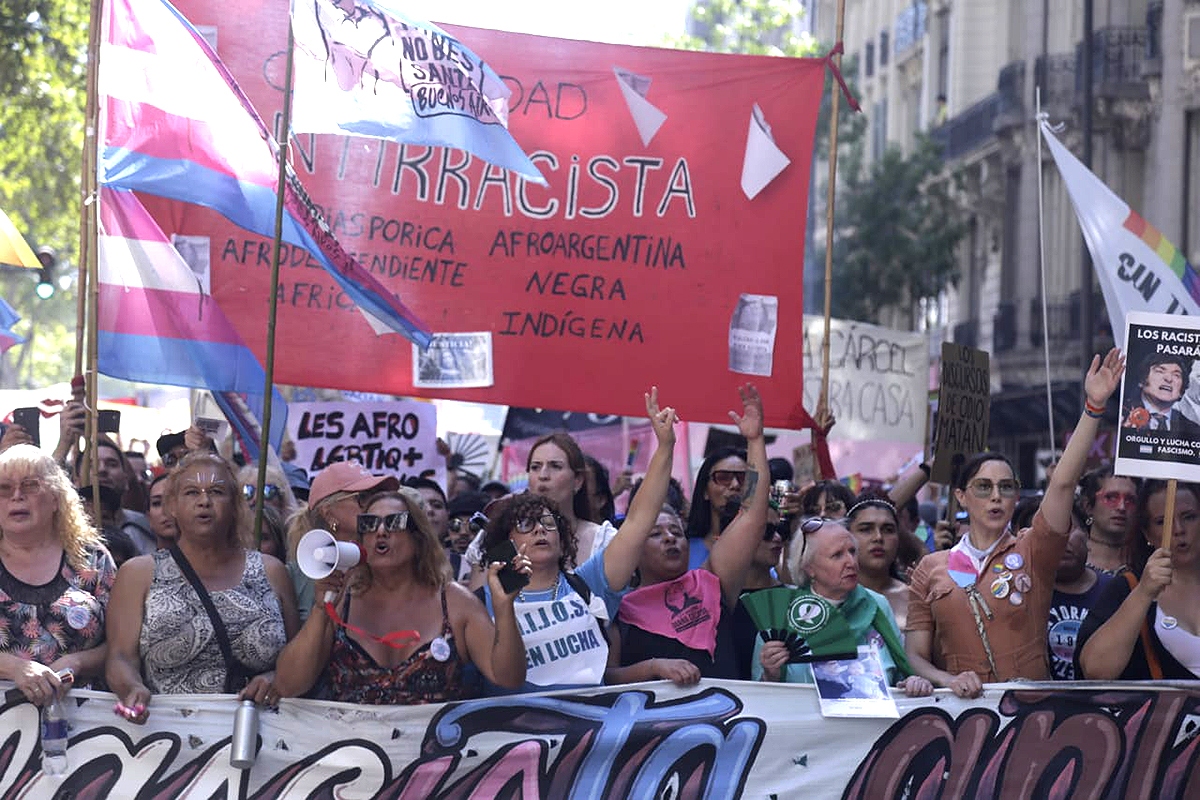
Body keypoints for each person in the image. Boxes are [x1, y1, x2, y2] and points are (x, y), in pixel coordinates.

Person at [905, 348, 1124, 697]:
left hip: (1029, 717)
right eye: (983, 487)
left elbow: (1063, 483)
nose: (996, 496)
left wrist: (1093, 407)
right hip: (960, 718)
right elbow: (915, 655)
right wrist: (948, 681)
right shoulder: (931, 568)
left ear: (1016, 497)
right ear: (961, 496)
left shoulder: (1034, 549)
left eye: (1006, 487)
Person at [477, 389, 678, 693]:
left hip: (590, 732)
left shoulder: (590, 583)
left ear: (565, 539)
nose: (540, 530)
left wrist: (665, 447)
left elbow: (639, 521)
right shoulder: (488, 597)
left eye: (549, 523)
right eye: (528, 524)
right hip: (517, 735)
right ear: (507, 540)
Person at [274, 487, 530, 703]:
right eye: (370, 524)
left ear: (419, 538)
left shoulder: (456, 603)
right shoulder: (341, 599)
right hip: (352, 756)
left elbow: (508, 677)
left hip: (434, 758)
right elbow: (287, 685)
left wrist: (503, 607)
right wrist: (321, 610)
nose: (381, 531)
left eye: (395, 522)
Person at [105, 452, 300, 723]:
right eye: (191, 492)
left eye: (217, 492)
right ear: (172, 506)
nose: (204, 502)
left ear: (235, 504)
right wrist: (132, 688)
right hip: (169, 738)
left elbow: (298, 658)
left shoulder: (272, 571)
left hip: (259, 733)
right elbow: (120, 658)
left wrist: (276, 679)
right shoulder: (138, 574)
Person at [605, 386, 768, 683]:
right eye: (655, 534)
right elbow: (605, 678)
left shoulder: (712, 582)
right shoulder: (617, 608)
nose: (670, 538)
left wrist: (755, 442)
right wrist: (654, 668)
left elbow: (752, 516)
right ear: (633, 549)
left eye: (676, 532)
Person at [755, 517, 930, 697]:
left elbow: (901, 673)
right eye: (837, 555)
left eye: (852, 552)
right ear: (809, 568)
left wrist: (912, 682)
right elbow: (756, 699)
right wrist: (770, 675)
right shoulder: (780, 615)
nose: (851, 562)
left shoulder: (877, 605)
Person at [0, 445, 117, 701]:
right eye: (4, 489)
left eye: (30, 485)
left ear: (55, 498)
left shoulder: (92, 558)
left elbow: (123, 646)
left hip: (87, 724)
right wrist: (14, 668)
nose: (16, 496)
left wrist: (78, 663)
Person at [1076, 480, 1200, 680]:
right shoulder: (1128, 586)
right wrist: (1144, 593)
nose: (1178, 529)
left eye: (1189, 517)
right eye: (1162, 521)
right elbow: (1094, 669)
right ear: (1147, 533)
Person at [284, 461, 399, 622]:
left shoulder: (391, 563)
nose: (375, 505)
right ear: (328, 513)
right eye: (364, 497)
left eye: (378, 496)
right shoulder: (291, 577)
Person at [525, 433, 615, 568]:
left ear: (577, 480)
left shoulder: (604, 541)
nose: (543, 475)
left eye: (555, 466)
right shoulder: (503, 534)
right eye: (535, 467)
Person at [1047, 506, 1111, 680]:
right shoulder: (1024, 593)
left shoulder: (1114, 590)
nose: (1063, 539)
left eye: (1069, 528)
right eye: (1054, 531)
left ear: (1087, 535)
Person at [78, 437, 155, 556]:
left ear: (126, 480)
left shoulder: (143, 524)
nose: (102, 470)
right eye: (92, 465)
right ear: (76, 479)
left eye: (112, 464)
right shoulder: (62, 529)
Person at [732, 508, 784, 679]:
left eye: (781, 529)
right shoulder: (718, 599)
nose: (777, 538)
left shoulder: (793, 597)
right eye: (766, 531)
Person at [848, 494, 912, 631]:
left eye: (888, 530)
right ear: (847, 536)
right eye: (866, 529)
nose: (878, 537)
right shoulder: (831, 594)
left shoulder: (915, 598)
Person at [683, 446, 749, 570]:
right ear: (705, 491)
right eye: (723, 477)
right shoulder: (684, 547)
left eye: (743, 478)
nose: (735, 485)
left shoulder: (762, 545)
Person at [1120, 351, 1200, 437]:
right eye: (1160, 371)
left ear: (1181, 391)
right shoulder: (1121, 414)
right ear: (1142, 380)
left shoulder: (1193, 429)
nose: (1169, 379)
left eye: (1176, 375)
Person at [1078, 467, 1137, 576]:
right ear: (1088, 506)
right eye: (1111, 498)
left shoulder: (1148, 563)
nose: (1122, 507)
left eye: (1130, 500)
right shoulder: (1071, 558)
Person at [406, 476, 450, 549]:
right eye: (420, 506)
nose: (430, 510)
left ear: (448, 514)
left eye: (437, 505)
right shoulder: (387, 560)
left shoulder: (469, 560)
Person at [145, 473, 178, 549]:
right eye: (157, 503)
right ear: (148, 517)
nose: (166, 510)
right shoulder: (140, 561)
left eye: (174, 501)